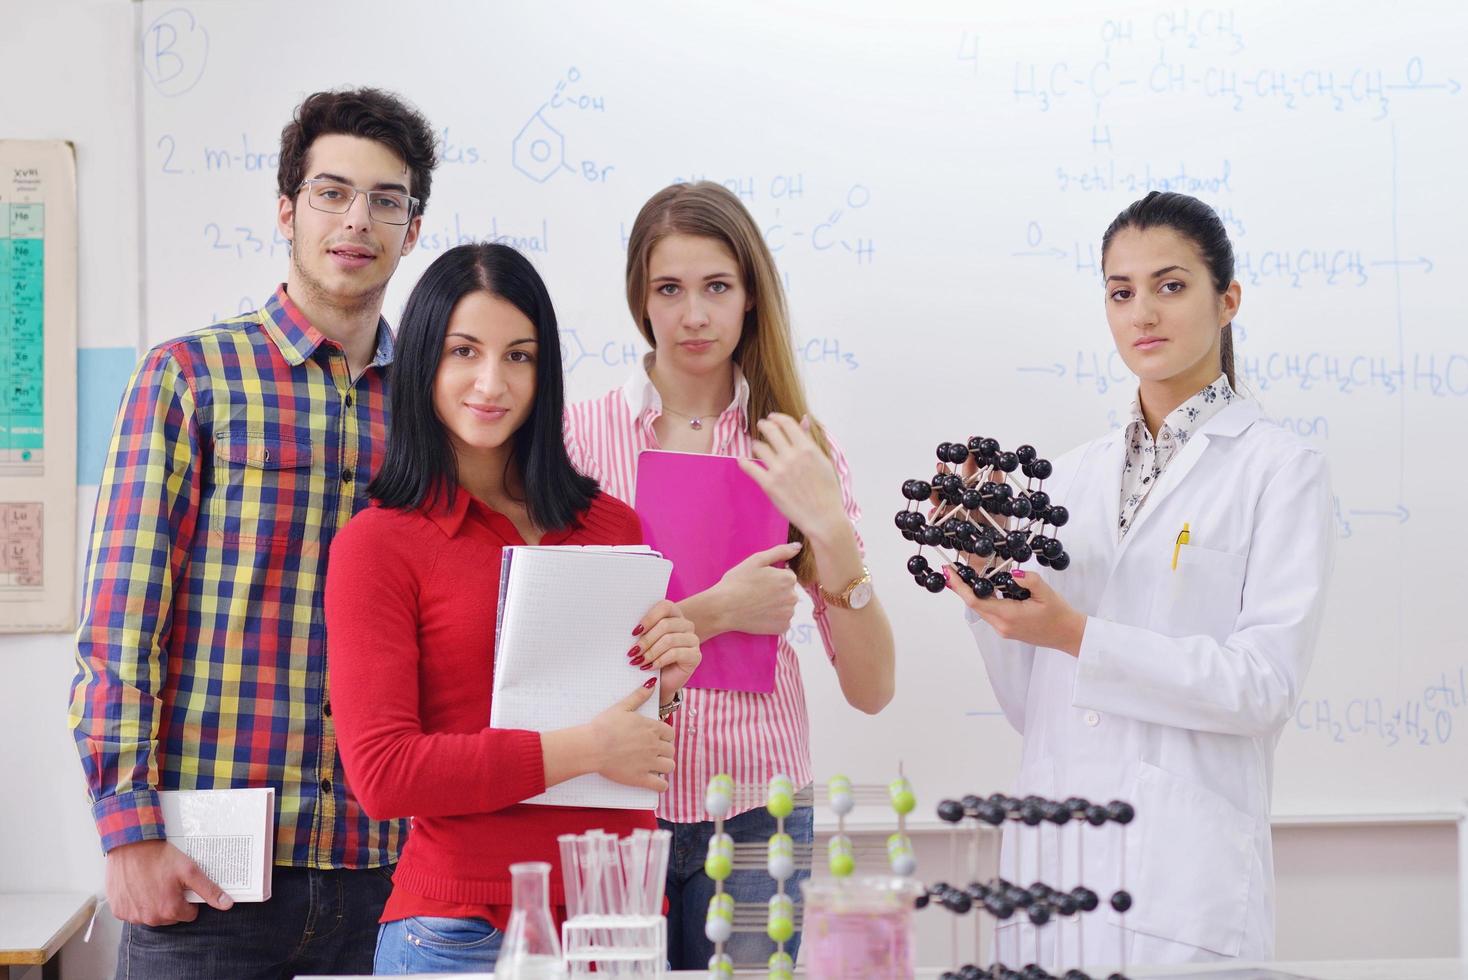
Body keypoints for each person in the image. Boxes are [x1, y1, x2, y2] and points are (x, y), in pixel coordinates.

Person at [67, 88, 437, 978]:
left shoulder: (435, 410)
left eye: (388, 200)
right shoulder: (189, 378)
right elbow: (121, 624)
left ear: (413, 229)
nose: (359, 220)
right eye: (332, 193)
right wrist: (129, 832)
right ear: (286, 209)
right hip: (209, 880)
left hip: (388, 872)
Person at [950, 191, 1334, 966]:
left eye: (1170, 285)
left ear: (1226, 299)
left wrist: (1077, 635)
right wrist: (991, 589)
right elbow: (1040, 706)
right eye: (1121, 292)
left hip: (1183, 890)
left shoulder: (1279, 470)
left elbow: (1263, 687)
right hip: (1053, 877)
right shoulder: (1065, 479)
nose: (1143, 313)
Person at [325, 242, 701, 975]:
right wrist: (588, 749)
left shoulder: (613, 528)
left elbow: (631, 733)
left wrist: (670, 677)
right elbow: (383, 775)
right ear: (424, 362)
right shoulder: (378, 545)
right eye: (465, 351)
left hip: (617, 922)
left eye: (520, 356)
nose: (491, 382)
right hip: (464, 933)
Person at [563, 181, 896, 969]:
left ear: (751, 296)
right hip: (615, 802)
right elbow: (556, 648)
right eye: (668, 290)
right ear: (640, 302)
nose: (695, 316)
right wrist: (715, 611)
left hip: (755, 807)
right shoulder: (579, 439)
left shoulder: (792, 445)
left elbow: (873, 689)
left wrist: (832, 531)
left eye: (717, 287)